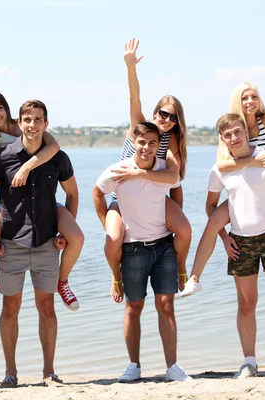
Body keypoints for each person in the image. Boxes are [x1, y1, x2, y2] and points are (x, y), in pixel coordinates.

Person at [0, 62, 84, 316]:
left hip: (39, 198)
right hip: (6, 197)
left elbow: (53, 148)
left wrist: (27, 167)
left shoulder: (24, 127)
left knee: (76, 236)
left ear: (11, 112)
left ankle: (63, 281)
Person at [183, 45, 265, 296]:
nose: (250, 101)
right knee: (213, 222)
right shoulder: (231, 129)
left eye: (254, 96)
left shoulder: (264, 122)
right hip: (242, 192)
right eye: (245, 97)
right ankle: (194, 278)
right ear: (238, 101)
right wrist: (254, 162)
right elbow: (222, 165)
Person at [187, 113, 265, 378]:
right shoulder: (219, 169)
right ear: (222, 139)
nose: (234, 137)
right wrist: (224, 237)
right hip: (239, 241)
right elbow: (210, 207)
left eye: (237, 132)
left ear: (245, 131)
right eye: (228, 135)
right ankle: (249, 362)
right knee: (246, 304)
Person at [0, 100, 80, 387]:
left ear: (46, 124)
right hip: (11, 244)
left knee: (47, 307)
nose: (32, 124)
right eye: (27, 119)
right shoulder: (2, 156)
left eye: (38, 119)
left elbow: (72, 193)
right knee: (10, 307)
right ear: (18, 123)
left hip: (46, 243)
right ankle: (11, 373)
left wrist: (63, 229)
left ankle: (49, 372)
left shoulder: (59, 158)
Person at [93, 122, 192, 382]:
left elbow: (175, 182)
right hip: (133, 249)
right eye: (141, 142)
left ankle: (172, 367)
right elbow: (97, 192)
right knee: (133, 308)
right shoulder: (117, 170)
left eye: (152, 143)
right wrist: (107, 221)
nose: (146, 147)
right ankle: (134, 366)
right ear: (133, 143)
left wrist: (173, 213)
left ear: (159, 145)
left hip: (163, 247)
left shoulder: (165, 170)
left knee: (166, 306)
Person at [104, 38, 192, 302]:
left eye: (172, 117)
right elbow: (134, 96)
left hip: (154, 198)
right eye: (162, 113)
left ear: (177, 121)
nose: (165, 119)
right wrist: (131, 67)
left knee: (185, 231)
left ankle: (180, 266)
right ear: (154, 113)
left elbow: (174, 178)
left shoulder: (171, 140)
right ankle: (115, 276)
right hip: (124, 198)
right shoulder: (139, 128)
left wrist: (139, 174)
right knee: (114, 239)